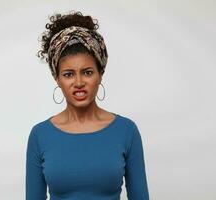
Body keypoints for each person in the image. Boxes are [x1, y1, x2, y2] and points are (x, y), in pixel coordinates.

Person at [26, 11, 150, 200]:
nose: (78, 82)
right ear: (57, 78)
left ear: (100, 73)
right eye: (68, 74)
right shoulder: (40, 135)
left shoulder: (126, 131)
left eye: (87, 72)